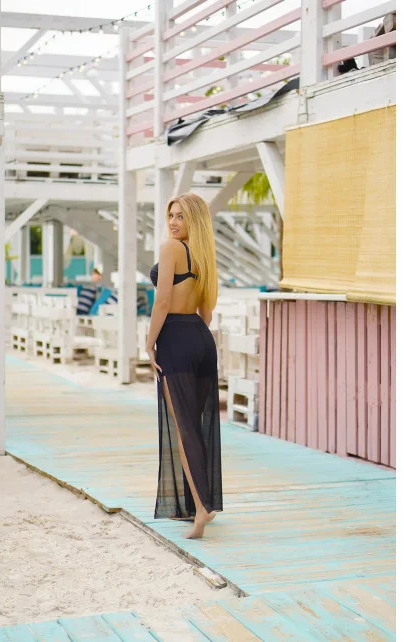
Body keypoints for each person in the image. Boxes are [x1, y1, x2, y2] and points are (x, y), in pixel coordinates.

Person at [146, 193, 223, 539]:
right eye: (171, 215)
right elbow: (206, 312)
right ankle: (202, 503)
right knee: (196, 425)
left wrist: (150, 342)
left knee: (184, 428)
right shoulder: (204, 255)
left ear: (194, 220)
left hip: (176, 338)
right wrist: (193, 335)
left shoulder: (171, 249)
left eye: (181, 216)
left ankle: (201, 510)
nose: (174, 222)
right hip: (201, 339)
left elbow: (162, 301)